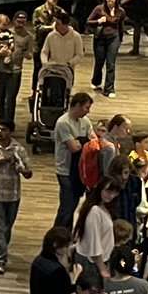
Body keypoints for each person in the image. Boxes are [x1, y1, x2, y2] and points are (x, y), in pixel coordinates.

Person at [0, 120, 34, 276]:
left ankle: (2, 250)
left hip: (13, 194)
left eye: (3, 130)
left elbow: (29, 171)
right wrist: (6, 159)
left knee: (7, 227)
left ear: (10, 132)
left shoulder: (18, 149)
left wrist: (22, 169)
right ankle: (0, 259)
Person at [52, 90, 96, 228]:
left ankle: (66, 234)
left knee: (73, 203)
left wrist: (81, 141)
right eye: (86, 107)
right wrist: (85, 142)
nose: (88, 111)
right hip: (65, 170)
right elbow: (74, 147)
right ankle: (57, 236)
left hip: (79, 169)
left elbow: (94, 141)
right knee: (67, 207)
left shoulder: (85, 121)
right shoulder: (63, 123)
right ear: (77, 105)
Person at [73, 179, 123, 282]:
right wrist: (102, 269)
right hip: (91, 262)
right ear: (100, 190)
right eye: (108, 191)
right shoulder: (95, 212)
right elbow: (94, 244)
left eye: (114, 193)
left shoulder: (104, 207)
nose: (111, 195)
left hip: (99, 260)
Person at [28, 224, 79, 294]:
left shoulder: (38, 261)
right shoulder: (57, 270)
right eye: (66, 245)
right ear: (56, 245)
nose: (68, 249)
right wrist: (75, 278)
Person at [0, 13, 24, 128]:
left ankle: (8, 123)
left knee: (10, 99)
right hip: (0, 69)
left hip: (14, 71)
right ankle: (2, 119)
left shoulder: (16, 35)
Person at [86, 0, 123, 97]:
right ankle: (96, 81)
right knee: (99, 62)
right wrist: (98, 21)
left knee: (111, 63)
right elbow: (88, 21)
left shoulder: (120, 11)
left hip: (114, 38)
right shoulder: (99, 9)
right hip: (100, 39)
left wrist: (120, 39)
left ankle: (109, 89)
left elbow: (121, 26)